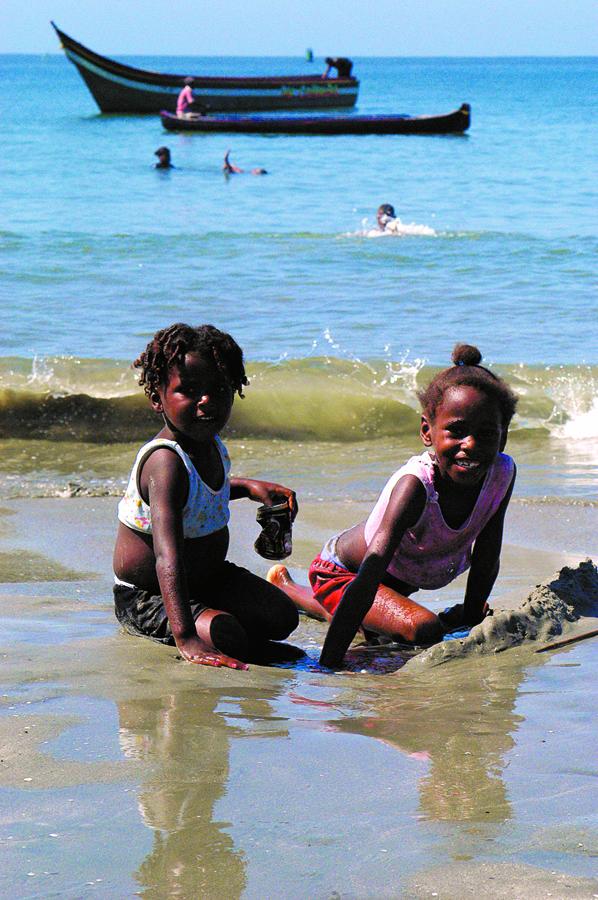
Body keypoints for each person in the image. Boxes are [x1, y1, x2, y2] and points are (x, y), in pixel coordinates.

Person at [268, 344, 518, 669]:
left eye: (486, 434)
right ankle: (299, 593)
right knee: (424, 628)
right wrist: (328, 665)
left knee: (379, 623)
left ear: (504, 437)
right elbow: (368, 578)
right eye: (456, 431)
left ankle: (287, 589)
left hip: (395, 582)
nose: (470, 444)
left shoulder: (501, 473)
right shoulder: (415, 487)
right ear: (427, 431)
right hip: (345, 575)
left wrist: (470, 619)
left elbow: (487, 552)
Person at [113, 323, 299, 670]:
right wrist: (186, 638)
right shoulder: (165, 461)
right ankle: (197, 627)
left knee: (282, 616)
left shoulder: (209, 444)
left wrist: (248, 489)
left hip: (209, 579)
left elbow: (199, 496)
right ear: (157, 398)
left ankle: (220, 624)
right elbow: (167, 557)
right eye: (189, 390)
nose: (206, 401)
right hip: (148, 596)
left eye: (219, 389)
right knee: (226, 635)